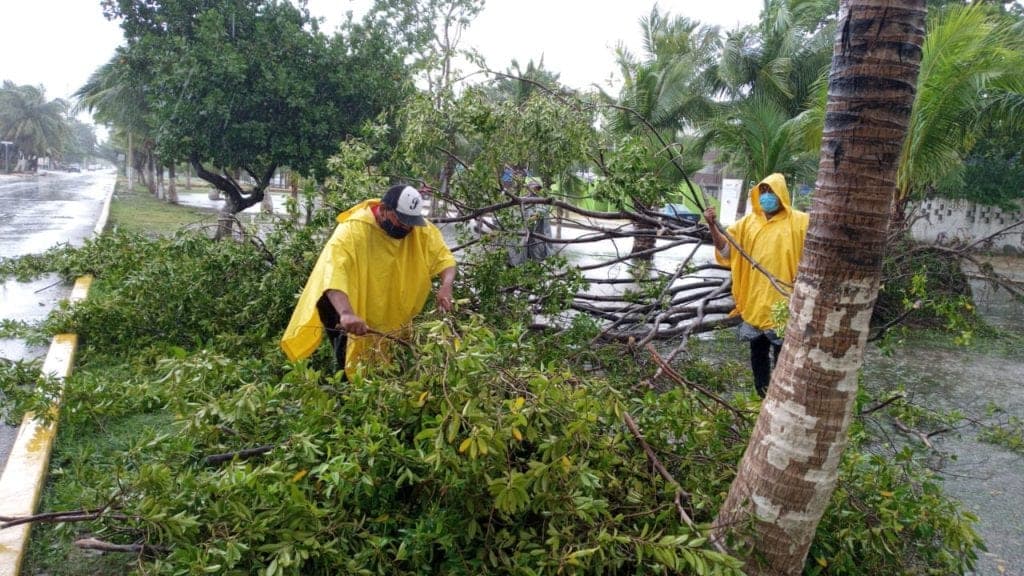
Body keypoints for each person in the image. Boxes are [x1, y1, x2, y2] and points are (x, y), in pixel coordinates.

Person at [280, 184, 457, 379]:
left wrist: (446, 286)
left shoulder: (418, 230)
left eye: (411, 222)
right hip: (342, 301)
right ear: (383, 209)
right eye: (401, 220)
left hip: (383, 301)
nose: (407, 227)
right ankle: (347, 393)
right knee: (348, 354)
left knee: (387, 355)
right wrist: (346, 314)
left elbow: (444, 258)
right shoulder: (353, 230)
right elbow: (333, 273)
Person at [704, 173, 809, 398]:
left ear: (781, 194)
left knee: (785, 359)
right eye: (763, 192)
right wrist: (712, 226)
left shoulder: (800, 222)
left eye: (771, 192)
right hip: (756, 305)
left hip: (785, 305)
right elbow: (726, 251)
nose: (767, 197)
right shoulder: (747, 224)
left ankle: (781, 400)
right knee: (758, 355)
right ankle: (761, 399)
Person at [508, 178, 552, 266]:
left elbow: (538, 214)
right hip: (526, 238)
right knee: (519, 256)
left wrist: (529, 219)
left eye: (537, 188)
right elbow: (516, 214)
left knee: (536, 261)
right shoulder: (523, 200)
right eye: (533, 188)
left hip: (538, 238)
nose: (535, 190)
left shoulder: (542, 202)